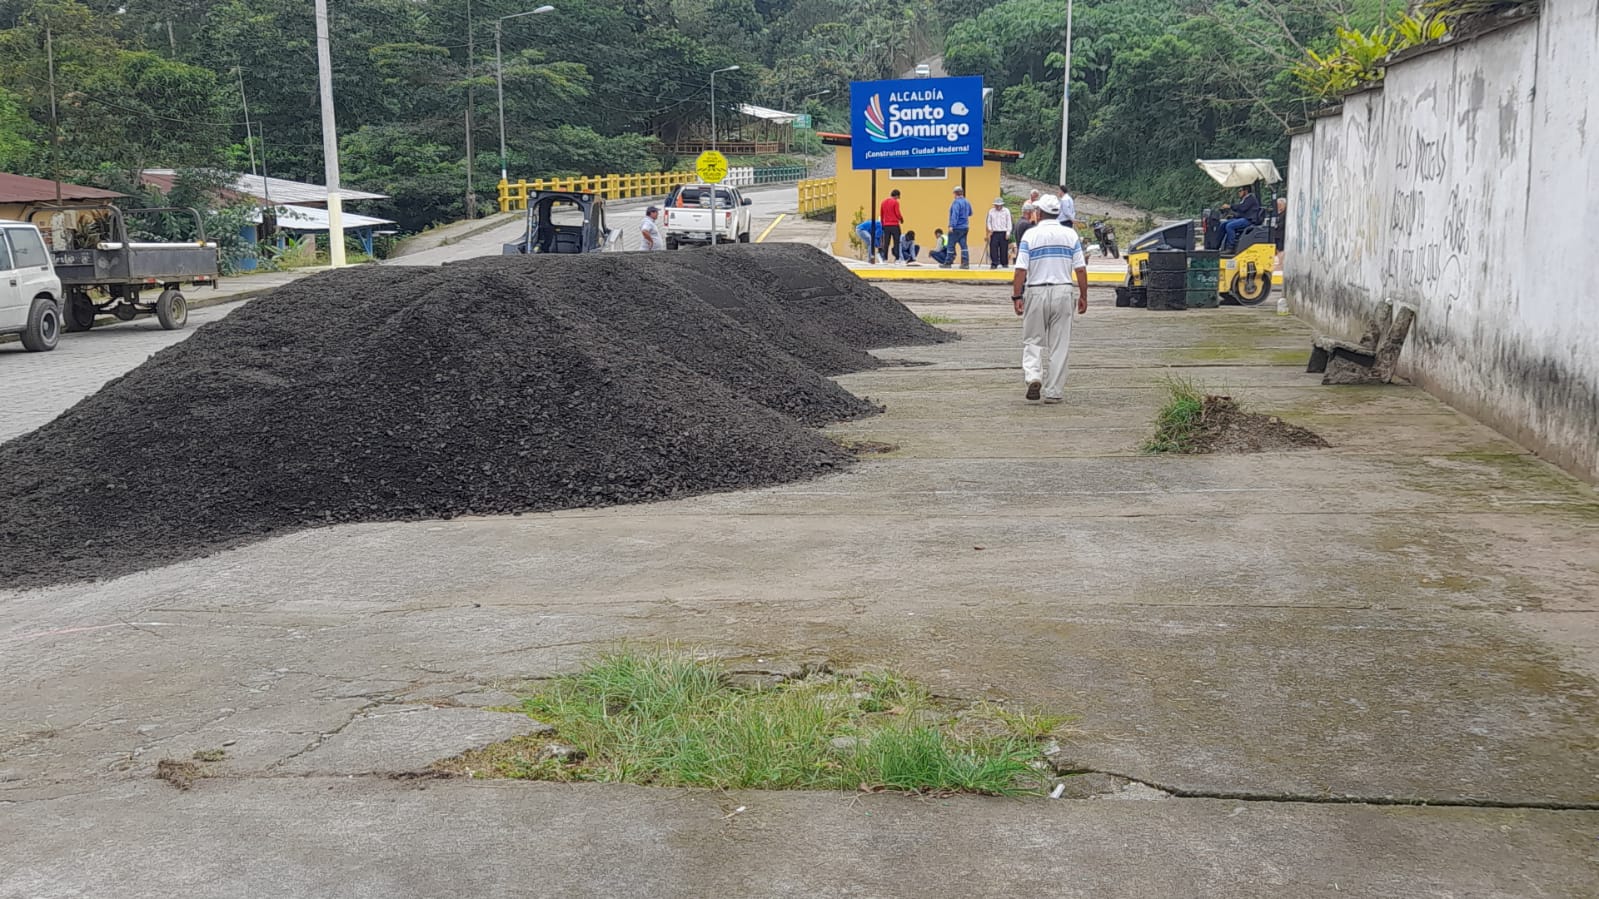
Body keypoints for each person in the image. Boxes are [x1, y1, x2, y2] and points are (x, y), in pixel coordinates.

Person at [1011, 194, 1088, 405]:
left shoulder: (1030, 235)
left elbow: (1020, 270)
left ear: (1039, 213)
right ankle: (1053, 391)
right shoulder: (1070, 235)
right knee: (1059, 344)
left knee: (1032, 339)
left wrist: (1016, 296)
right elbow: (1080, 269)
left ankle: (1033, 376)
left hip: (1036, 291)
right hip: (1063, 291)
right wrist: (1083, 296)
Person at [1222, 185, 1261, 251]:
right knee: (1224, 224)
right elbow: (1242, 212)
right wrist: (1233, 216)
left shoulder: (1250, 198)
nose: (1239, 193)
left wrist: (1230, 206)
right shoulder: (1245, 199)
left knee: (1230, 226)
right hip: (1245, 218)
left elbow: (1242, 208)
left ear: (1246, 191)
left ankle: (1231, 247)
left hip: (1249, 220)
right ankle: (1218, 245)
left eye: (1240, 191)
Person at [945, 186, 973, 269]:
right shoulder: (967, 202)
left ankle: (948, 262)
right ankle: (965, 263)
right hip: (965, 227)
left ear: (955, 193)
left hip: (957, 227)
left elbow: (955, 215)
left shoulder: (956, 203)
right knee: (964, 245)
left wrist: (951, 226)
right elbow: (970, 213)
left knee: (950, 245)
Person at [986, 198, 1013, 270]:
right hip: (994, 232)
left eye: (999, 205)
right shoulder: (991, 211)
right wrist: (990, 229)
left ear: (1002, 205)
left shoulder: (1006, 211)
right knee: (993, 248)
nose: (998, 207)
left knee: (1004, 248)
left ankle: (1004, 263)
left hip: (1003, 232)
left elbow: (1009, 222)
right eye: (996, 205)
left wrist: (1008, 232)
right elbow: (988, 221)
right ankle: (994, 263)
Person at [879, 189, 904, 264]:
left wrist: (882, 223)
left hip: (886, 225)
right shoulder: (895, 202)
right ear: (896, 195)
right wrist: (901, 219)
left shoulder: (883, 202)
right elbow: (897, 213)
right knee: (896, 242)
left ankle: (885, 259)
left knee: (886, 242)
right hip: (894, 225)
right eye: (898, 196)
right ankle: (897, 259)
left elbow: (882, 214)